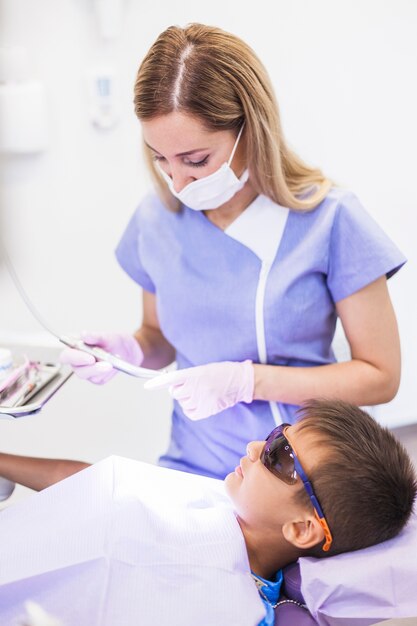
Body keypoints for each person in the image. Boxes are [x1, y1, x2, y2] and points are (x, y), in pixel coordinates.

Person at [60, 23, 406, 480]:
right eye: (160, 158)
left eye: (196, 160)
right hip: (193, 467)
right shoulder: (157, 219)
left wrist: (248, 382)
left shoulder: (331, 220)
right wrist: (129, 350)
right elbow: (158, 336)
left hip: (302, 475)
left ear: (251, 129)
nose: (177, 182)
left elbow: (380, 376)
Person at [0, 400, 416, 625]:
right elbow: (95, 485)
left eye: (280, 457)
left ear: (303, 529)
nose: (255, 447)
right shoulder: (218, 501)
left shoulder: (235, 611)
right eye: (277, 434)